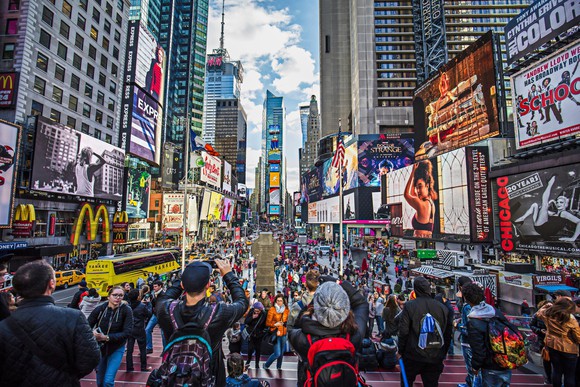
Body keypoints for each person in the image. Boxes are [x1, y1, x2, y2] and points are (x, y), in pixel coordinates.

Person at [0, 260, 100, 386]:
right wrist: (66, 375)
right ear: (51, 284)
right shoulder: (73, 317)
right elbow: (91, 358)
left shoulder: (4, 325)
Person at [156, 259, 249, 386]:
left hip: (174, 374)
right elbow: (242, 302)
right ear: (208, 285)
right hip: (211, 374)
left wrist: (188, 274)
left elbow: (165, 296)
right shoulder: (219, 313)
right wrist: (228, 274)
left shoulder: (165, 310)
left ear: (183, 285)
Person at [288, 280, 369, 386]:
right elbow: (361, 304)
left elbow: (294, 327)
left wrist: (315, 302)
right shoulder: (353, 335)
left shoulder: (302, 339)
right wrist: (339, 282)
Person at [398, 276, 452, 387]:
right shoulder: (442, 308)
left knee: (407, 382)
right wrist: (443, 352)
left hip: (413, 353)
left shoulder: (409, 306)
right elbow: (447, 333)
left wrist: (400, 350)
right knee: (432, 383)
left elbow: (403, 331)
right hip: (435, 354)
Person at [462, 283, 513, 386]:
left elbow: (478, 348)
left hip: (491, 365)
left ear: (467, 299)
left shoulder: (473, 321)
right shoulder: (494, 311)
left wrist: (475, 366)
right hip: (506, 359)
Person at [88, 286, 134, 387]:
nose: (118, 297)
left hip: (117, 347)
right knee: (100, 381)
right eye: (115, 295)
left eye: (121, 295)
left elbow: (127, 332)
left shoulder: (126, 311)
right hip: (100, 348)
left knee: (108, 381)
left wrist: (107, 337)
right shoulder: (100, 309)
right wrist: (93, 334)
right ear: (109, 296)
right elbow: (87, 325)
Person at [514, 175, 580, 242]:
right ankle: (521, 219)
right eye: (557, 202)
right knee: (535, 205)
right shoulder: (555, 213)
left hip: (544, 228)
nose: (558, 204)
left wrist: (573, 238)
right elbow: (542, 210)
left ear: (565, 204)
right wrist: (550, 203)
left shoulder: (564, 213)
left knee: (544, 204)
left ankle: (550, 184)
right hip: (541, 228)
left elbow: (579, 221)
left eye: (561, 202)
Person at [537, 298, 580, 387]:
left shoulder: (548, 314)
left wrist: (546, 305)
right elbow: (578, 336)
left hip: (552, 345)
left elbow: (538, 313)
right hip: (569, 348)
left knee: (556, 371)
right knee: (569, 374)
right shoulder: (570, 318)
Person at [404, 160, 437, 238]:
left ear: (427, 185)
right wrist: (415, 177)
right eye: (416, 187)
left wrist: (412, 173)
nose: (418, 191)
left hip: (420, 242)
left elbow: (406, 194)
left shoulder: (421, 204)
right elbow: (412, 193)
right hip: (425, 240)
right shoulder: (430, 202)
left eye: (420, 186)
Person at [126, 288, 152, 372]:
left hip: (130, 329)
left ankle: (129, 367)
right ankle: (143, 367)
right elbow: (148, 314)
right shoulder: (142, 306)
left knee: (129, 350)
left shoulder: (127, 306)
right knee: (142, 349)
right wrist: (148, 304)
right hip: (139, 329)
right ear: (138, 297)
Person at [456, 276, 476, 387]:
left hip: (469, 342)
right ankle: (469, 383)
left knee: (471, 367)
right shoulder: (477, 302)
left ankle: (472, 384)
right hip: (475, 341)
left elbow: (469, 328)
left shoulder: (467, 306)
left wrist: (457, 325)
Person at [263, 294, 290, 370]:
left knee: (281, 353)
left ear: (283, 301)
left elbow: (288, 321)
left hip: (284, 333)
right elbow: (267, 323)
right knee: (277, 353)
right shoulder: (272, 309)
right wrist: (275, 324)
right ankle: (266, 365)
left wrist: (286, 324)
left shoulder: (286, 310)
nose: (279, 302)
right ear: (275, 301)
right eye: (278, 301)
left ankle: (279, 367)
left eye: (281, 301)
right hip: (276, 333)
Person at [531, 300, 553, 384]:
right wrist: (540, 330)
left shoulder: (555, 315)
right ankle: (549, 378)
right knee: (546, 360)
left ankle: (551, 378)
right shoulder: (537, 315)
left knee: (554, 360)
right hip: (543, 340)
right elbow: (532, 325)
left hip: (553, 340)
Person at [245, 302, 267, 369]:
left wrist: (263, 332)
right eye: (256, 310)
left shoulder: (263, 314)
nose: (257, 312)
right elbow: (246, 321)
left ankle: (257, 363)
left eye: (258, 311)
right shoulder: (251, 312)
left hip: (259, 334)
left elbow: (265, 324)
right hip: (251, 333)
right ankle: (248, 361)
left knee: (258, 349)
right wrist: (252, 317)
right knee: (250, 349)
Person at [145, 279, 165, 353]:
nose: (154, 288)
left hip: (162, 315)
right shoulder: (154, 294)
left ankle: (165, 349)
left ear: (160, 286)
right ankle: (149, 347)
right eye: (154, 286)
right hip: (155, 314)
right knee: (147, 329)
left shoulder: (163, 295)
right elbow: (154, 304)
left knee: (163, 333)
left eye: (156, 286)